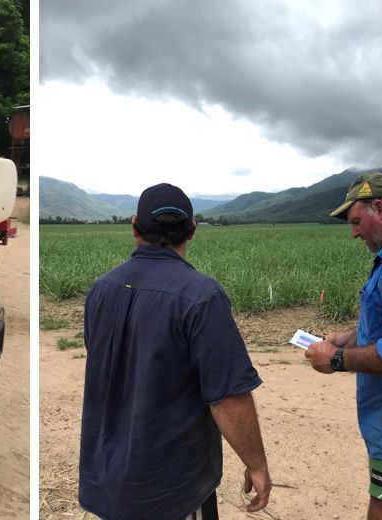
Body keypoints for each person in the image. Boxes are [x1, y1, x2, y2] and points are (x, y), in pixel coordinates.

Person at [79, 183, 271, 520]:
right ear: (192, 230)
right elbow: (228, 397)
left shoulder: (100, 289)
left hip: (109, 477)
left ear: (135, 226)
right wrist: (256, 465)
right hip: (170, 488)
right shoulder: (201, 295)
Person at [306, 172, 382, 520]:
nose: (354, 233)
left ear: (380, 208)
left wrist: (337, 358)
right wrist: (353, 337)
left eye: (356, 222)